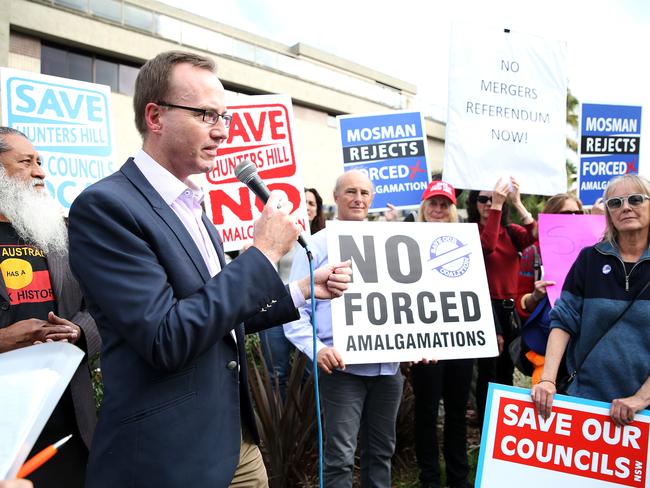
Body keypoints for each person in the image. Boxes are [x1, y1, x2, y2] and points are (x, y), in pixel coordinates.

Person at [67, 51, 351, 488]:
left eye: (224, 117)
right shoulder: (106, 207)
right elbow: (166, 337)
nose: (221, 131)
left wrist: (300, 290)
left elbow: (217, 315)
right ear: (155, 116)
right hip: (171, 455)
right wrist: (262, 252)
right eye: (205, 115)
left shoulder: (194, 207)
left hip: (234, 440)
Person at [284, 170, 404, 488]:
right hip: (341, 370)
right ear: (336, 197)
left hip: (388, 371)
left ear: (372, 199)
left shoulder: (390, 242)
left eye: (365, 193)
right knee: (339, 459)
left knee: (381, 454)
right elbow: (292, 312)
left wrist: (423, 346)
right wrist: (318, 349)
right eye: (351, 192)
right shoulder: (314, 245)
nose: (358, 199)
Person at [0, 127, 100, 488]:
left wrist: (79, 332)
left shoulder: (65, 234)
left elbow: (101, 308)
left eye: (40, 162)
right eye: (25, 162)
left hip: (69, 426)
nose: (40, 171)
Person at [532, 174, 650, 426]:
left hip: (643, 412)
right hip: (585, 401)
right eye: (615, 203)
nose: (626, 207)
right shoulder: (589, 259)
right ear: (608, 213)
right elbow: (563, 320)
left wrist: (640, 399)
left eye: (635, 199)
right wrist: (548, 379)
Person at [409, 180, 472, 488]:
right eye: (433, 203)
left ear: (451, 210)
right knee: (427, 412)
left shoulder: (466, 240)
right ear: (424, 207)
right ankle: (430, 479)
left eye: (444, 204)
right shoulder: (407, 238)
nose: (438, 209)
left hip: (459, 340)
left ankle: (459, 478)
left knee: (457, 413)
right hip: (425, 342)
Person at [467, 176, 537, 426]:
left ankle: (503, 425)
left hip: (510, 308)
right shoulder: (471, 231)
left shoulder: (512, 232)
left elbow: (537, 236)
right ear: (474, 203)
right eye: (482, 199)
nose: (488, 203)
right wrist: (496, 206)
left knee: (508, 367)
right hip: (485, 306)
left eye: (493, 198)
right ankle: (486, 421)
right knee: (488, 369)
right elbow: (487, 245)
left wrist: (517, 203)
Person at [259, 187, 326, 398]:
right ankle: (283, 426)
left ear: (318, 210)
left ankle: (310, 427)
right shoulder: (277, 236)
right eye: (303, 202)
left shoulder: (323, 240)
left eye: (312, 203)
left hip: (307, 311)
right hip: (275, 308)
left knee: (310, 372)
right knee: (277, 375)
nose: (307, 207)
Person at [513, 193, 583, 384]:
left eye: (579, 213)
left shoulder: (594, 251)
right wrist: (535, 296)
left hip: (583, 345)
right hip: (546, 343)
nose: (575, 218)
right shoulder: (533, 253)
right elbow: (520, 304)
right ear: (552, 216)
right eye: (567, 214)